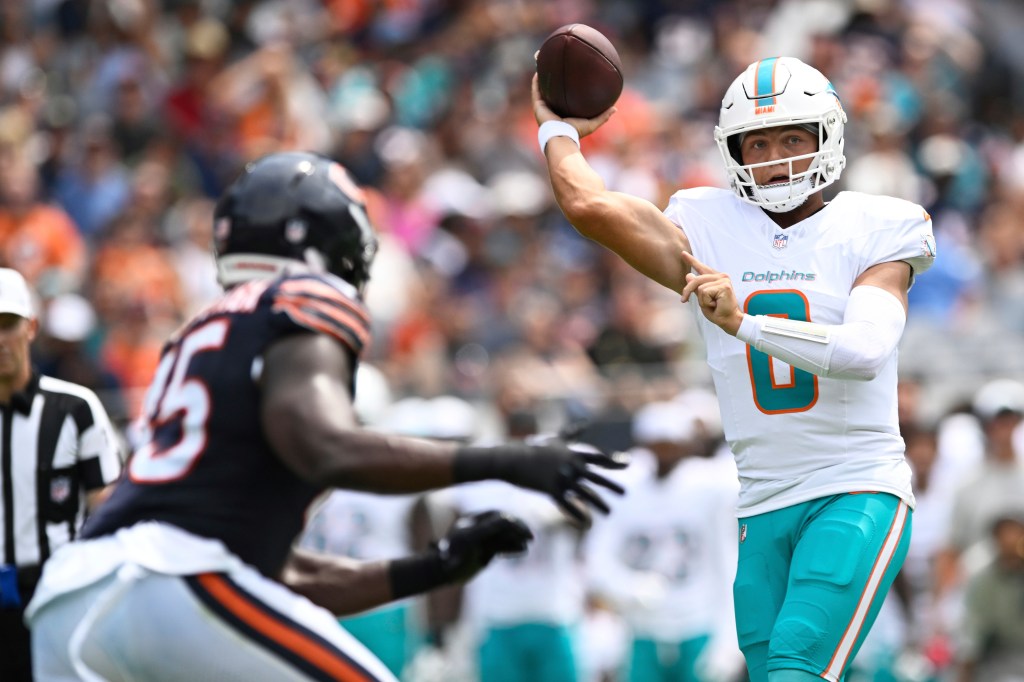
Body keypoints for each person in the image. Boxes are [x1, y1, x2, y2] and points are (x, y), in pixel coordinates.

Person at [25, 151, 626, 682]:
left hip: (74, 599)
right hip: (172, 585)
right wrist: (508, 461)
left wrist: (435, 567)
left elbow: (276, 575)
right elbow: (323, 447)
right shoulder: (303, 298)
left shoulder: (199, 333)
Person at [532, 55, 937, 682]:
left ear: (827, 137)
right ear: (734, 151)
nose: (775, 158)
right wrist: (557, 129)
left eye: (793, 139)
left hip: (854, 487)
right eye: (760, 142)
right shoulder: (705, 222)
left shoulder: (879, 225)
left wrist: (741, 320)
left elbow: (864, 351)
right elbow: (590, 207)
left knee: (797, 668)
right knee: (772, 670)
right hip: (761, 500)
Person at [0, 268, 123, 682]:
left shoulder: (76, 408)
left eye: (8, 324)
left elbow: (108, 511)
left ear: (30, 328)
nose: (0, 339)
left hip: (56, 595)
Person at [586, 400, 742, 682]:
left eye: (670, 444)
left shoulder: (710, 486)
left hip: (698, 624)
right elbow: (597, 561)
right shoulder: (624, 486)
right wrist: (629, 587)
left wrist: (728, 641)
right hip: (641, 628)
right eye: (657, 444)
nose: (664, 453)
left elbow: (726, 561)